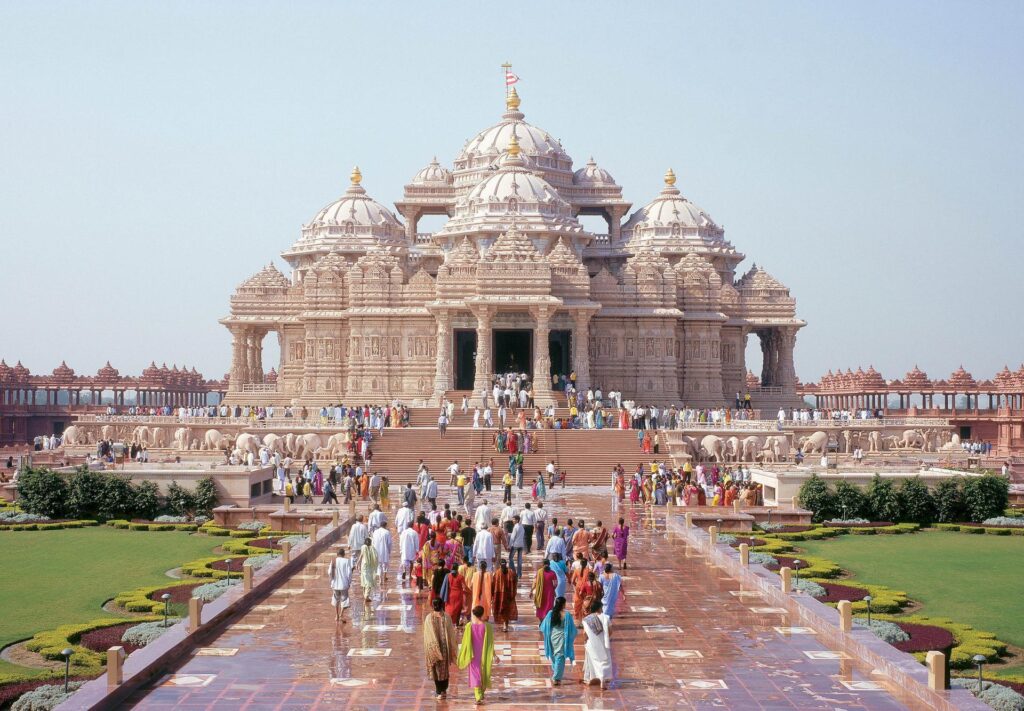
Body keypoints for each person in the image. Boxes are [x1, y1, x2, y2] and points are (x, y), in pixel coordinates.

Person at [457, 605, 497, 705]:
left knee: (475, 675)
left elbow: (465, 642)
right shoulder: (487, 626)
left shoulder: (469, 626)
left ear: (474, 614)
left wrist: (462, 652)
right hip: (484, 655)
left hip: (473, 654)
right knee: (483, 673)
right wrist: (494, 655)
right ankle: (481, 693)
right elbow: (491, 643)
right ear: (482, 614)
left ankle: (478, 696)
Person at [424, 597, 459, 700]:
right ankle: (443, 691)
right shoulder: (446, 617)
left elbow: (427, 635)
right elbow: (451, 634)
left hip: (433, 649)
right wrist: (453, 647)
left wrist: (431, 648)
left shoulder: (428, 618)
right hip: (445, 648)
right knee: (444, 670)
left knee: (436, 671)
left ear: (433, 606)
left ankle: (439, 692)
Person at [539, 596, 577, 686]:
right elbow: (572, 629)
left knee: (554, 655)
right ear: (563, 604)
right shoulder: (566, 615)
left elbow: (543, 627)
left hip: (552, 636)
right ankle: (556, 678)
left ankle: (556, 673)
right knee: (560, 656)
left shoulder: (550, 613)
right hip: (562, 637)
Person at [581, 598, 613, 690]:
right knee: (604, 662)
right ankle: (602, 680)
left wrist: (585, 641)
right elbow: (610, 631)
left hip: (591, 644)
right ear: (599, 608)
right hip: (604, 643)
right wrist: (604, 638)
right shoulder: (606, 617)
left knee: (594, 661)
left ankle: (592, 678)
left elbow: (584, 634)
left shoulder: (586, 619)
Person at [491, 558, 518, 632]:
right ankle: (505, 624)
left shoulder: (498, 573)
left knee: (504, 609)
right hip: (504, 595)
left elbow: (493, 585)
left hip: (502, 595)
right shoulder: (509, 572)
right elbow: (515, 583)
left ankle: (505, 625)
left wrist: (493, 595)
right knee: (505, 610)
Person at [327, 546, 352, 623]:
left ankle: (337, 615)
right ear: (343, 554)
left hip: (335, 584)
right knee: (344, 600)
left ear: (337, 554)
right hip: (344, 584)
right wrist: (349, 582)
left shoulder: (333, 561)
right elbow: (349, 573)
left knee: (336, 599)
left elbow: (329, 572)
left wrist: (332, 580)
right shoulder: (346, 561)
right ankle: (341, 614)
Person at [359, 538, 379, 603]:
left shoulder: (363, 548)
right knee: (369, 581)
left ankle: (365, 595)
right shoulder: (372, 549)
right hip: (369, 567)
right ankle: (366, 596)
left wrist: (357, 564)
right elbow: (376, 557)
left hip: (363, 567)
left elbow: (361, 556)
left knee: (364, 581)